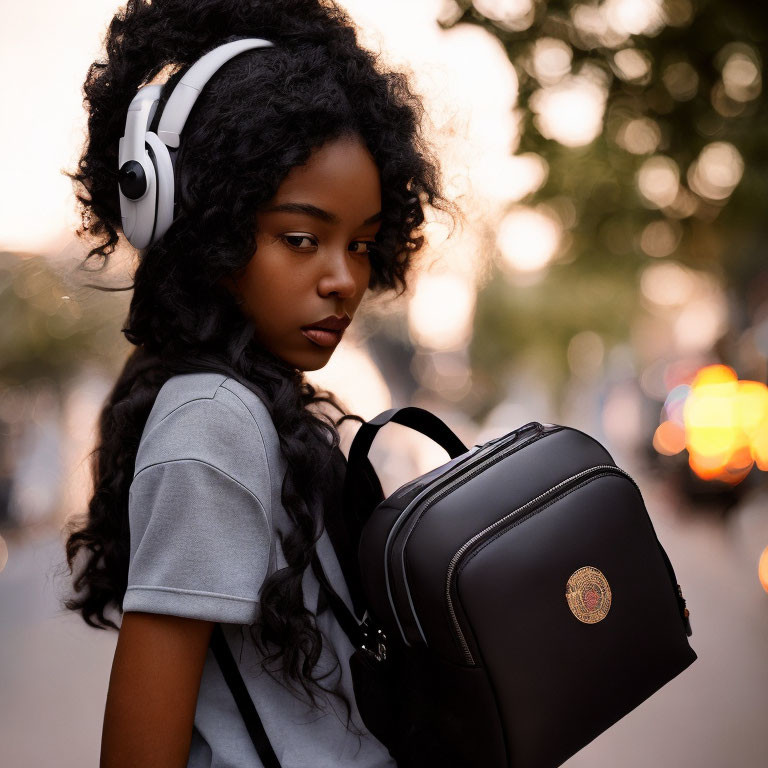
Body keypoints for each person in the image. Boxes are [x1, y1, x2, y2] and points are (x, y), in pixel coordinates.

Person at [60, 1, 454, 766]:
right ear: (204, 224)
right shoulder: (214, 422)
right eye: (301, 239)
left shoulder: (251, 408)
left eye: (364, 244)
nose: (343, 279)